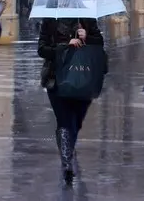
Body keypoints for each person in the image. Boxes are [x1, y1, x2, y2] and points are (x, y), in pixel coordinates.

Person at [38, 17, 107, 183]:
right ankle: (67, 162)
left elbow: (99, 43)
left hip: (83, 80)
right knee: (64, 121)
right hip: (56, 79)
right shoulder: (50, 20)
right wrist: (65, 46)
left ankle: (68, 151)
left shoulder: (87, 18)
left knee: (75, 123)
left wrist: (87, 37)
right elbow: (41, 49)